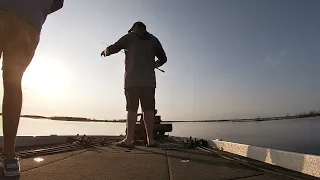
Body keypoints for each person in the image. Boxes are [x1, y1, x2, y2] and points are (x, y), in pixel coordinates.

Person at [0, 0, 64, 176]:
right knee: (13, 83)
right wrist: (36, 10)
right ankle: (9, 158)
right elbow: (59, 3)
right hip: (30, 22)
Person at [101, 21, 167, 148]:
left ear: (135, 28)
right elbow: (163, 58)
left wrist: (105, 51)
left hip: (132, 81)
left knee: (131, 109)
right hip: (149, 82)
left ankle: (129, 140)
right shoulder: (154, 40)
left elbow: (115, 47)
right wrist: (155, 64)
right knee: (148, 110)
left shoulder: (129, 37)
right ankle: (151, 141)